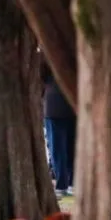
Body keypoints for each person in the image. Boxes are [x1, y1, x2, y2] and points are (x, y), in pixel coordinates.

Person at [41, 60, 76, 197]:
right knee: (70, 148)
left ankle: (63, 184)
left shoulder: (48, 59)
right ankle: (71, 183)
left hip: (54, 107)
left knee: (58, 149)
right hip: (71, 105)